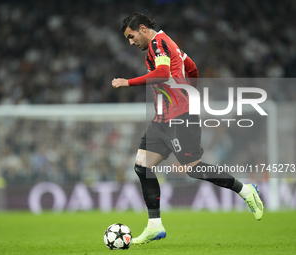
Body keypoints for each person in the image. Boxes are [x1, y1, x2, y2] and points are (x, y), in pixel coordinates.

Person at [111, 12, 264, 245]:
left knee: (192, 168)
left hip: (180, 117)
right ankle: (154, 225)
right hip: (162, 119)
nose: (131, 42)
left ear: (142, 28)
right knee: (142, 166)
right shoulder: (168, 44)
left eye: (131, 37)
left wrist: (128, 82)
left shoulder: (159, 43)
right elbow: (191, 68)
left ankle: (246, 190)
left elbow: (162, 73)